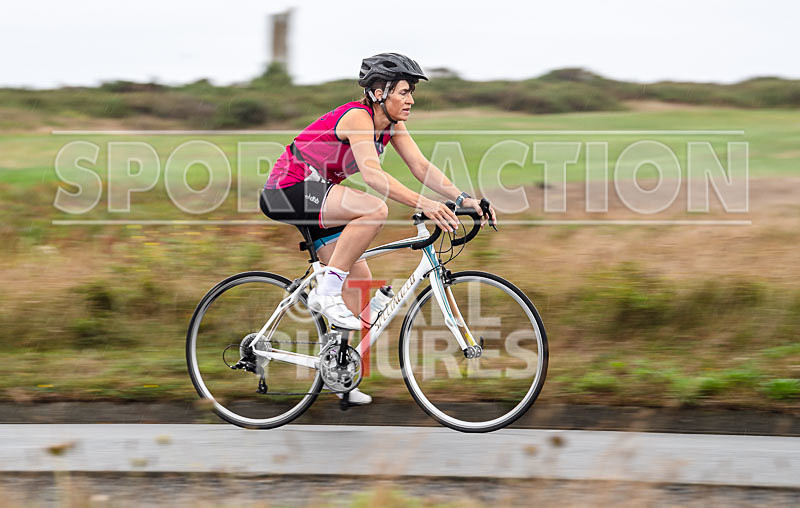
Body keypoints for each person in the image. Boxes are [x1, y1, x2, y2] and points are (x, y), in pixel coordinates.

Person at [260, 53, 496, 404]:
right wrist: (425, 204)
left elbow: (421, 166)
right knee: (372, 208)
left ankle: (340, 377)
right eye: (404, 92)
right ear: (378, 92)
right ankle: (325, 293)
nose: (411, 100)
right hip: (288, 188)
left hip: (319, 195)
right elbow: (372, 175)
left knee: (359, 292)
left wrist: (463, 199)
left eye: (411, 92)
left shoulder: (392, 126)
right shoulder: (358, 118)